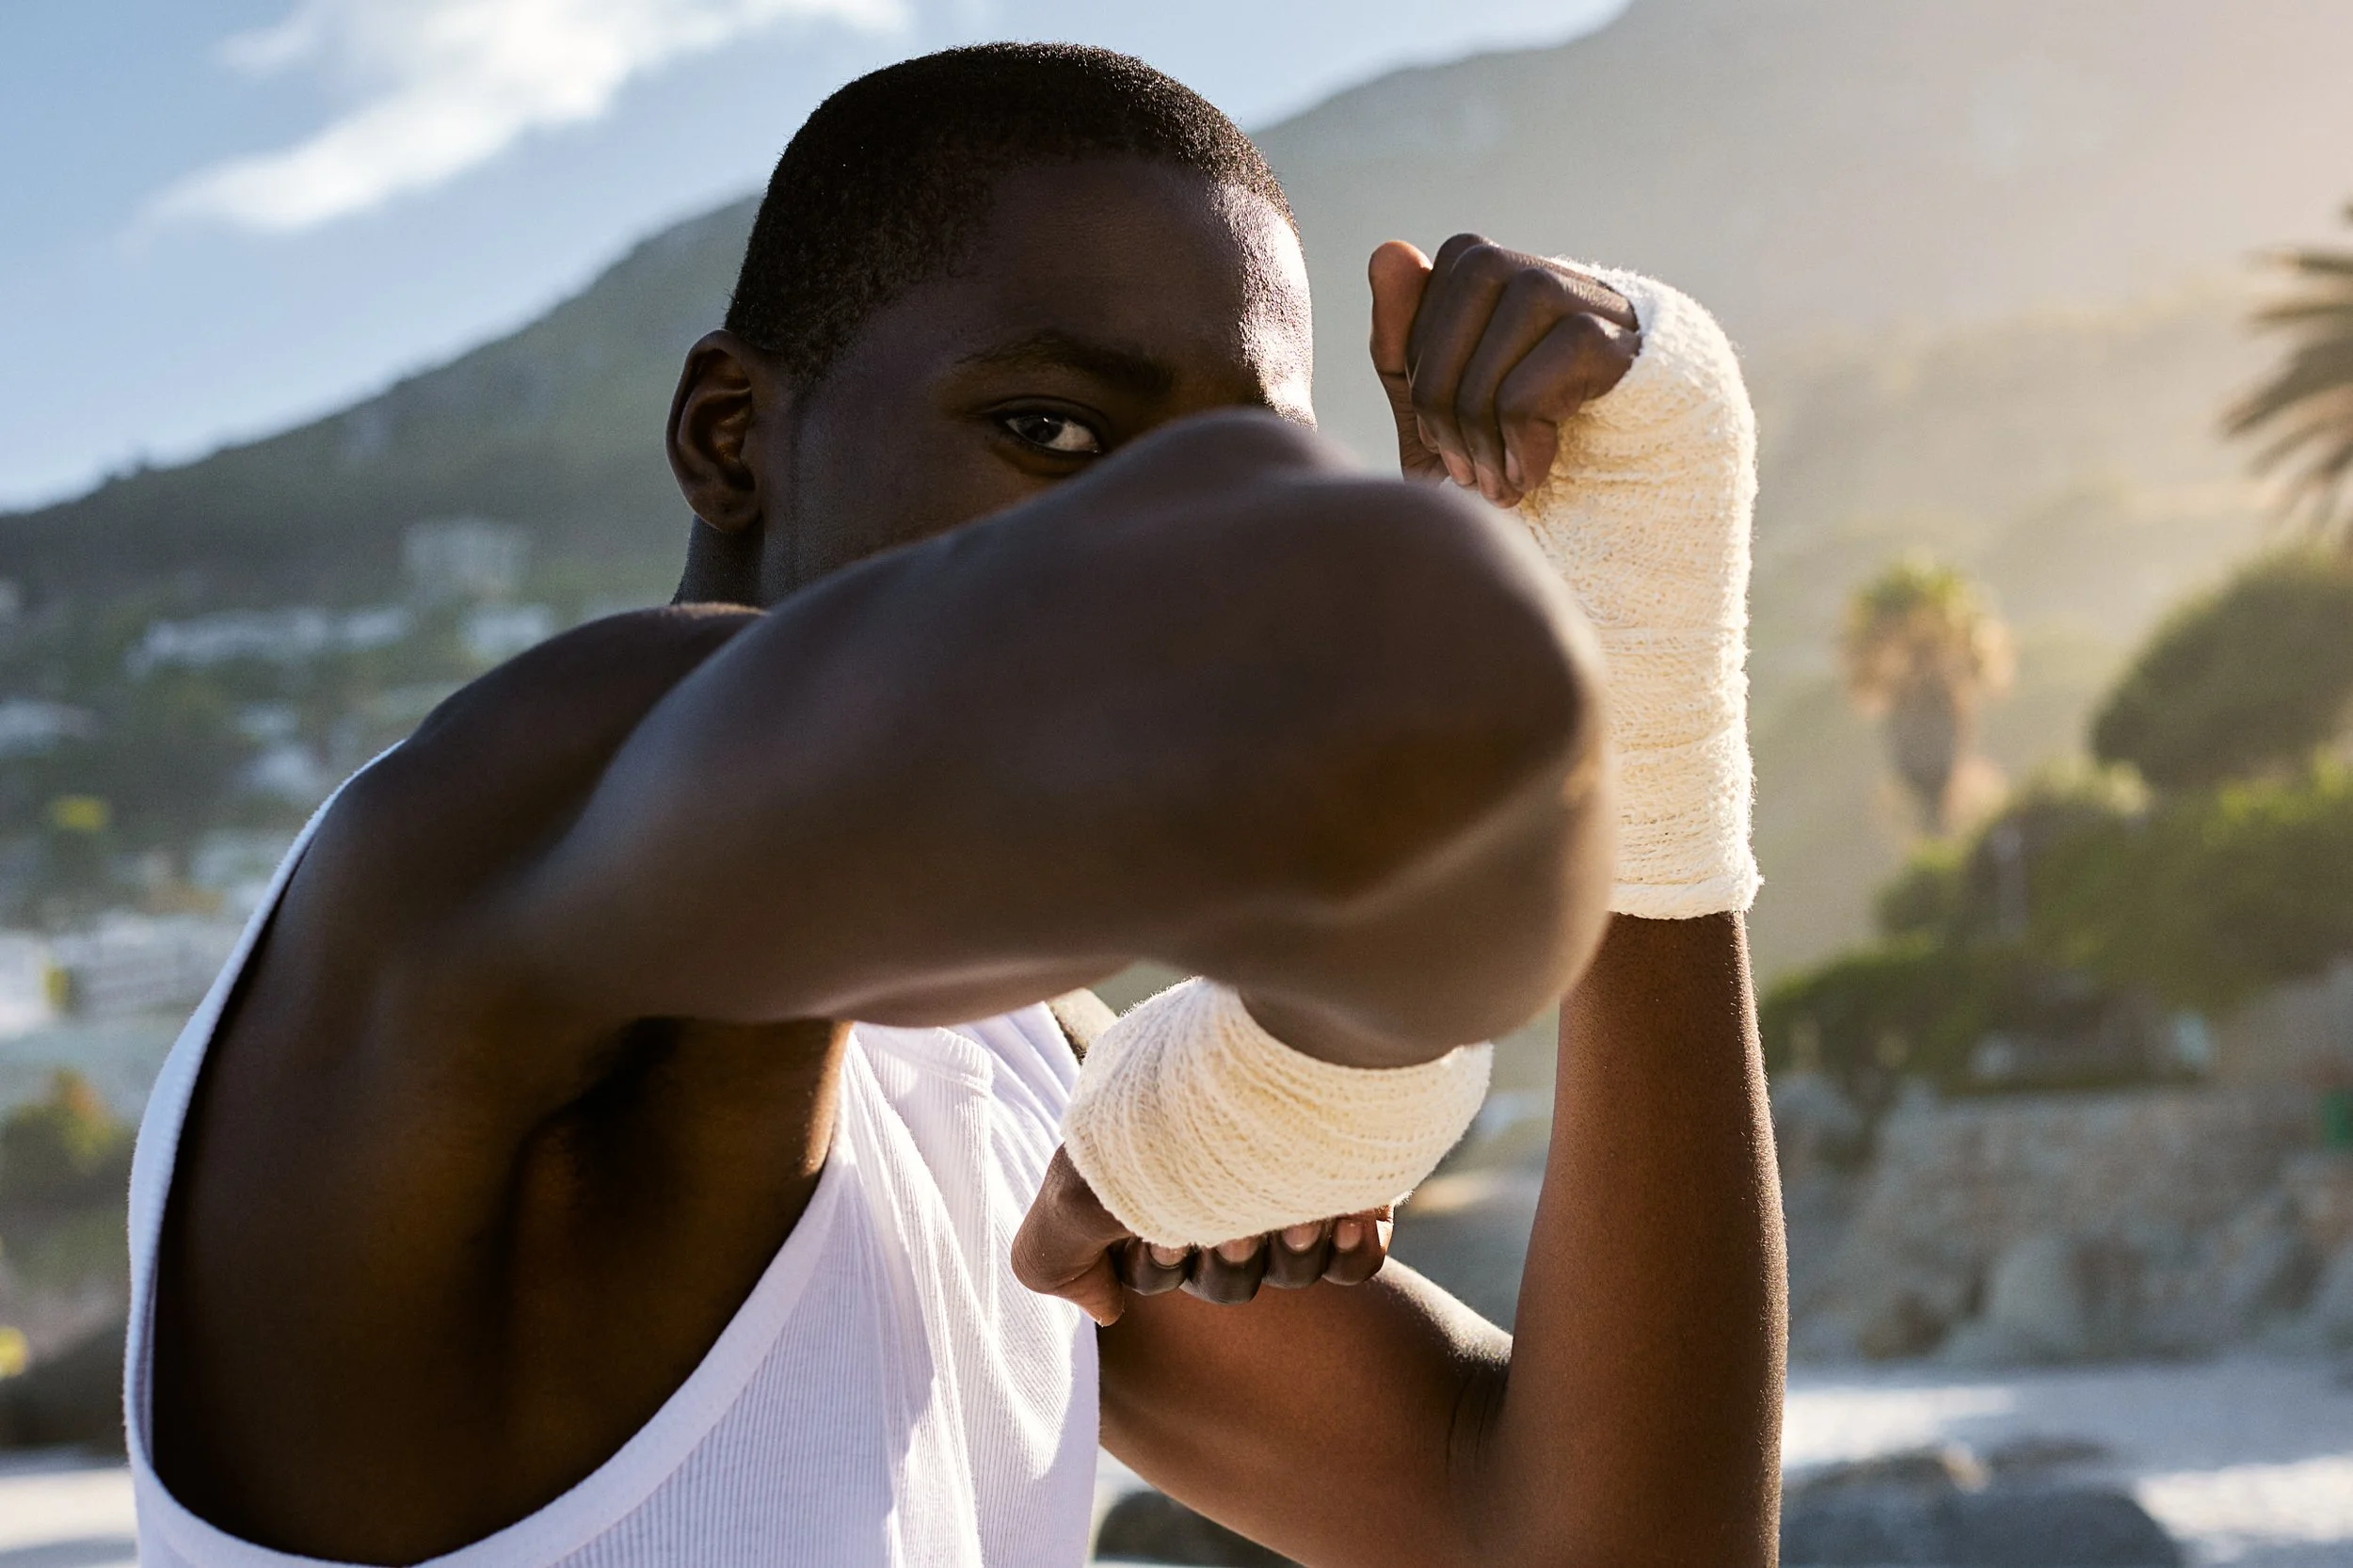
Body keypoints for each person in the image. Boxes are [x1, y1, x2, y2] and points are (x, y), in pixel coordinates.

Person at [124, 42, 1785, 1568]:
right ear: (729, 439)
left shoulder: (1030, 1072)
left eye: (1249, 463)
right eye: (1051, 428)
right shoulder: (497, 841)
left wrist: (1649, 685)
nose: (1174, 554)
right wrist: (1297, 1082)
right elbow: (1341, 722)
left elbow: (1607, 1546)